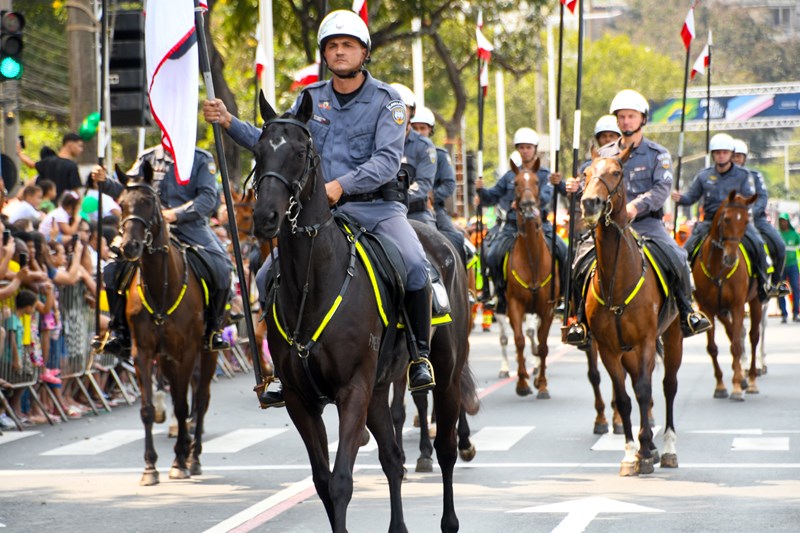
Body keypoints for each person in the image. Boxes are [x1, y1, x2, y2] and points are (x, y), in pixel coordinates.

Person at [203, 9, 435, 404]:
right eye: (332, 46)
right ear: (324, 55)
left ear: (364, 52)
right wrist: (229, 122)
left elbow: (385, 160)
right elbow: (276, 142)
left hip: (377, 210)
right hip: (320, 216)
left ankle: (419, 357)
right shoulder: (310, 98)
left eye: (348, 45)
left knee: (415, 266)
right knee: (264, 278)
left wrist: (339, 185)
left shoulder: (388, 101)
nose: (340, 52)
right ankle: (283, 368)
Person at [565, 90, 711, 347]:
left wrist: (635, 207)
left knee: (678, 256)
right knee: (578, 261)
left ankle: (688, 312)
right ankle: (580, 321)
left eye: (631, 116)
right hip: (608, 226)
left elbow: (661, 189)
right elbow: (590, 188)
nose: (625, 122)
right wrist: (573, 188)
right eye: (621, 117)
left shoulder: (658, 154)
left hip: (646, 223)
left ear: (642, 119)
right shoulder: (603, 154)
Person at [94, 146, 234, 357]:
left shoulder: (201, 158)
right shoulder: (147, 157)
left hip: (190, 227)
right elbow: (129, 191)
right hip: (147, 228)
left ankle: (213, 329)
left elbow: (208, 198)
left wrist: (176, 214)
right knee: (112, 267)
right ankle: (119, 332)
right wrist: (105, 182)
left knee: (223, 267)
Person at [672, 133, 775, 303]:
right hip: (710, 222)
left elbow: (749, 196)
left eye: (725, 152)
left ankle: (764, 284)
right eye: (717, 152)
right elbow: (691, 197)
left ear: (730, 154)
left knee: (757, 243)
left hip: (734, 221)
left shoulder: (743, 175)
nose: (721, 155)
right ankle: (683, 289)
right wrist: (680, 198)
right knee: (686, 250)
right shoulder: (703, 176)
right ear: (712, 154)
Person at [475, 127, 567, 314]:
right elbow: (492, 196)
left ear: (535, 149)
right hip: (512, 227)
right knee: (491, 255)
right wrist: (481, 190)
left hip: (540, 226)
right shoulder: (509, 176)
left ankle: (564, 297)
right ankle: (498, 294)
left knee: (564, 252)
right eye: (521, 147)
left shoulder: (545, 175)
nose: (525, 151)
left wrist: (529, 204)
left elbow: (547, 196)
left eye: (528, 147)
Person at [552, 114, 622, 319]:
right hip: (597, 227)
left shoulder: (627, 159)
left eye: (612, 135)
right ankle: (578, 312)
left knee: (676, 257)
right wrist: (569, 187)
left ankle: (683, 309)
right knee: (574, 263)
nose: (608, 140)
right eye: (603, 136)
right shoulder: (587, 167)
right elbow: (585, 193)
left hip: (636, 222)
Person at [410, 105, 468, 265]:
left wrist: (432, 196)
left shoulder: (440, 155)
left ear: (430, 130)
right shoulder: (399, 152)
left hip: (434, 209)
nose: (419, 132)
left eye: (423, 128)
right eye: (415, 128)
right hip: (404, 207)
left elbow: (449, 184)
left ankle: (461, 286)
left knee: (456, 239)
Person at [732, 138, 790, 298]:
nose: (736, 159)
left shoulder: (755, 175)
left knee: (780, 246)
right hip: (730, 222)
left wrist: (751, 212)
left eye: (739, 156)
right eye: (734, 156)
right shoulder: (722, 176)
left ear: (744, 158)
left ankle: (776, 283)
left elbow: (762, 197)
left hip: (756, 220)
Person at [390, 84, 438, 228]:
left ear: (412, 112)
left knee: (434, 245)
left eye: (402, 108)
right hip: (379, 211)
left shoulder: (424, 146)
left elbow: (423, 184)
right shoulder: (371, 142)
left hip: (415, 213)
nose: (395, 113)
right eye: (390, 107)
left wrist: (395, 196)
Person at [35, 133, 84, 198]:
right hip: (64, 205)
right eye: (79, 146)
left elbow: (32, 165)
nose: (81, 150)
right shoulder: (72, 166)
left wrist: (20, 154)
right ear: (69, 143)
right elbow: (74, 190)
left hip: (45, 204)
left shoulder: (47, 161)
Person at [777, 213, 800, 322]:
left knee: (795, 288)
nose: (782, 222)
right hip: (781, 267)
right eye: (781, 220)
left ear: (788, 222)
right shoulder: (777, 234)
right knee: (781, 289)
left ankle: (796, 313)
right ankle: (784, 315)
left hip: (793, 265)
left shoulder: (794, 235)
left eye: (784, 220)